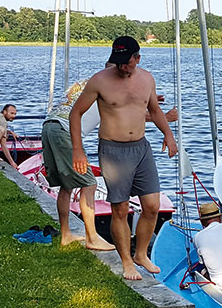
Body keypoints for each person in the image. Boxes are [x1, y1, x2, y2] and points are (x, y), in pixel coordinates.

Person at [70, 36, 178, 281]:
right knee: (120, 209)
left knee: (152, 205)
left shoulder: (147, 79)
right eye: (118, 62)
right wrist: (78, 149)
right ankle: (127, 262)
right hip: (113, 150)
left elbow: (155, 110)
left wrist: (169, 136)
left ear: (137, 58)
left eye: (127, 62)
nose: (122, 67)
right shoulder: (100, 81)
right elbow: (76, 113)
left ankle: (141, 254)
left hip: (141, 148)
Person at [41, 80, 115, 251]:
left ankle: (66, 235)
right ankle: (92, 238)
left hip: (49, 126)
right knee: (89, 184)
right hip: (64, 131)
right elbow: (122, 115)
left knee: (65, 186)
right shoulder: (108, 87)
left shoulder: (85, 83)